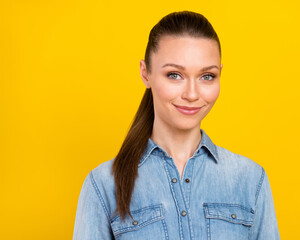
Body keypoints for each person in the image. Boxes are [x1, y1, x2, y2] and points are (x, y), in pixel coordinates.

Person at [73, 10, 280, 240]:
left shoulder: (251, 180)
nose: (192, 94)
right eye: (174, 75)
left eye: (207, 76)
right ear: (146, 73)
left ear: (220, 74)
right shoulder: (103, 186)